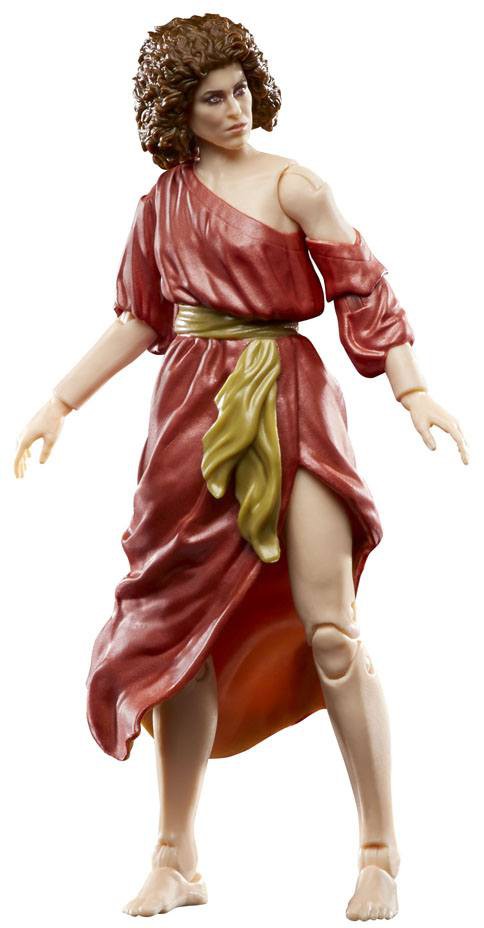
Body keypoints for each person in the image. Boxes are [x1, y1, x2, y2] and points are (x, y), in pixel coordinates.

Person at [14, 13, 468, 922]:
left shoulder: (297, 184)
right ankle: (175, 854)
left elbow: (365, 289)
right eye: (211, 98)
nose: (234, 109)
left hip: (293, 401)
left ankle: (380, 851)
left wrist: (413, 390)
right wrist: (59, 400)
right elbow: (140, 318)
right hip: (192, 412)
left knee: (332, 629)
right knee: (181, 635)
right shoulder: (161, 206)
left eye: (241, 90)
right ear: (176, 113)